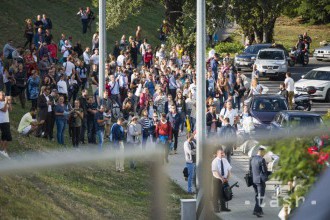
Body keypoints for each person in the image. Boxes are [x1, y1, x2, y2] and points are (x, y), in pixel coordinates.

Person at [250, 147, 270, 217]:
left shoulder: (252, 158)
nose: (264, 154)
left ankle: (260, 210)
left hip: (254, 180)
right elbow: (264, 171)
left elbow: (250, 170)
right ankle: (256, 211)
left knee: (257, 195)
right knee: (260, 196)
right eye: (264, 152)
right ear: (261, 152)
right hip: (260, 181)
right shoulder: (262, 159)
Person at [212, 148, 232, 213]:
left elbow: (229, 170)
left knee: (223, 193)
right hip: (217, 179)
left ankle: (223, 207)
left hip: (225, 180)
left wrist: (227, 178)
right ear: (217, 154)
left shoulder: (225, 160)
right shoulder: (214, 161)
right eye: (221, 153)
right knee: (216, 194)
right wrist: (221, 178)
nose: (223, 154)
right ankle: (216, 208)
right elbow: (215, 172)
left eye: (223, 153)